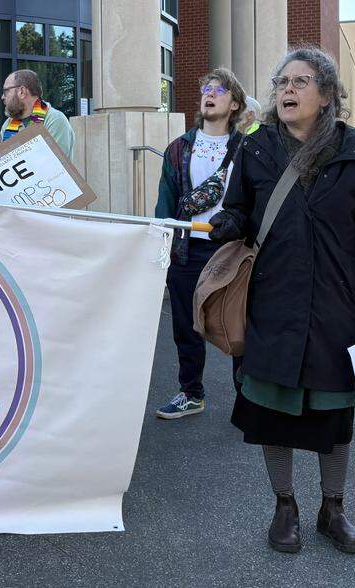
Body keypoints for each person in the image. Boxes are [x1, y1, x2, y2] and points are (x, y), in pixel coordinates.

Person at [208, 47, 355, 555]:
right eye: (281, 82)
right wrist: (226, 225)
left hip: (336, 309)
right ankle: (285, 506)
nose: (287, 90)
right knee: (274, 412)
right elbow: (239, 212)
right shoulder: (255, 148)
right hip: (272, 305)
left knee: (334, 418)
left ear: (328, 94)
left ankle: (333, 509)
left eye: (301, 81)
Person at [153, 68, 247, 419]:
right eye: (206, 89)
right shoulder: (178, 148)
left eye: (219, 89)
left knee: (238, 323)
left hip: (232, 249)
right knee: (185, 325)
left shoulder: (247, 147)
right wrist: (161, 243)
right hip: (187, 248)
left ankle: (246, 398)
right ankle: (190, 392)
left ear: (234, 103)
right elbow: (166, 201)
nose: (209, 93)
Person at [0, 69, 75, 159]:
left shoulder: (55, 120)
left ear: (22, 91)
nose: (2, 97)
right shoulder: (7, 124)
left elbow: (52, 164)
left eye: (6, 91)